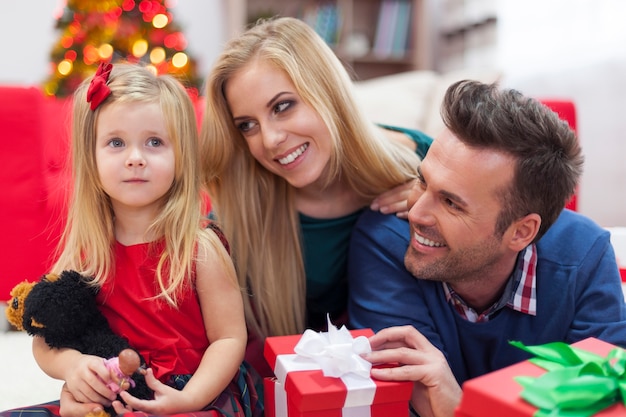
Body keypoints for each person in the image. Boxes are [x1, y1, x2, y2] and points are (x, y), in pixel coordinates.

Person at [348, 80, 626, 417]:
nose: (416, 213)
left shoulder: (584, 256)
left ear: (522, 232)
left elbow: (603, 404)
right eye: (422, 181)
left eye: (451, 203)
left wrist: (455, 406)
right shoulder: (385, 241)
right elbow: (406, 402)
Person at [1, 63, 261, 417]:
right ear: (91, 157)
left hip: (190, 392)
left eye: (154, 142)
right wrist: (73, 368)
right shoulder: (88, 251)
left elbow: (228, 340)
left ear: (179, 155)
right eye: (116, 142)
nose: (135, 158)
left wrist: (189, 399)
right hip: (114, 394)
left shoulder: (199, 248)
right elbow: (47, 336)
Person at [200, 16, 432, 376]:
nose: (270, 139)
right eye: (247, 125)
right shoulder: (239, 212)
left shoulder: (421, 164)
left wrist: (435, 204)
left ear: (326, 91)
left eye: (282, 106)